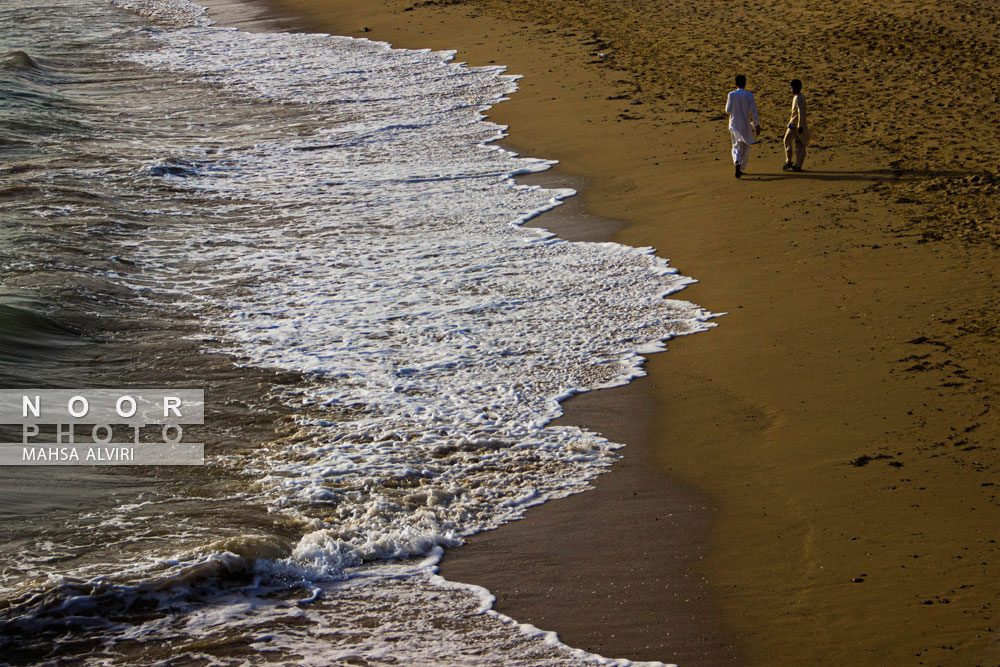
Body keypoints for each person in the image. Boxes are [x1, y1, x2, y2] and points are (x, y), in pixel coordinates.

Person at [725, 74, 760, 179]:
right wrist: (757, 124)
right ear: (745, 83)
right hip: (745, 125)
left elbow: (727, 110)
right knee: (745, 146)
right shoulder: (749, 95)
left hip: (734, 124)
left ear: (735, 84)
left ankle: (737, 162)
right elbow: (753, 110)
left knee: (736, 145)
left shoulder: (731, 95)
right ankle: (740, 165)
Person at [782, 79, 810, 172]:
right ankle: (789, 161)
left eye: (794, 87)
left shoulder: (799, 98)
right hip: (793, 124)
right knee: (787, 140)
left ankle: (797, 165)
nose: (792, 89)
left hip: (797, 125)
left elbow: (800, 112)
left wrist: (800, 126)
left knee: (800, 145)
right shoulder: (796, 97)